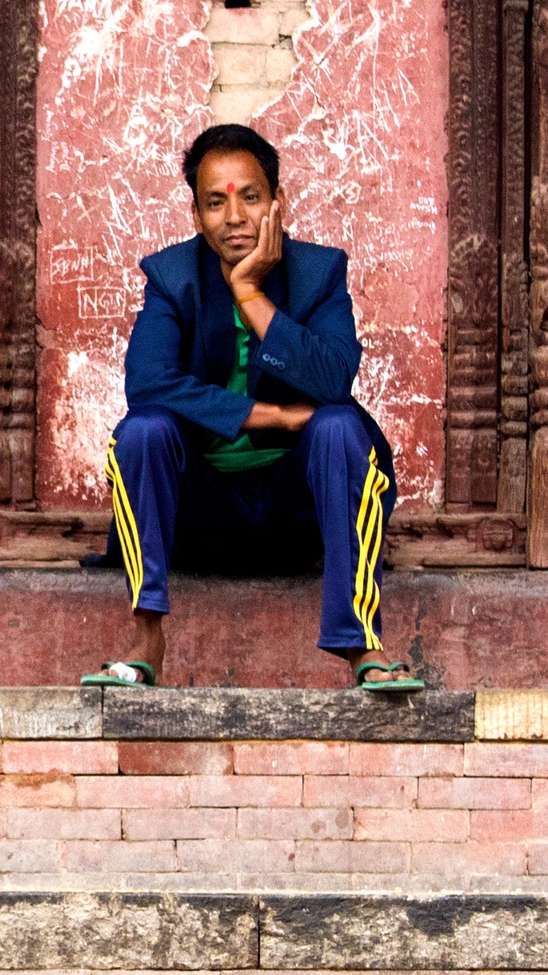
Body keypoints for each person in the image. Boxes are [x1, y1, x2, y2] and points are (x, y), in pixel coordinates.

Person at [79, 122, 423, 692]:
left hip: (300, 511)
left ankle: (363, 645)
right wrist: (275, 416)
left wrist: (249, 293)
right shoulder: (172, 278)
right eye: (215, 202)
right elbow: (147, 384)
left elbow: (334, 380)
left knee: (340, 426)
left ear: (277, 203)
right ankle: (146, 642)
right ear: (196, 216)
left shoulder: (317, 272)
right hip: (203, 512)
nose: (234, 217)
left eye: (251, 197)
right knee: (141, 432)